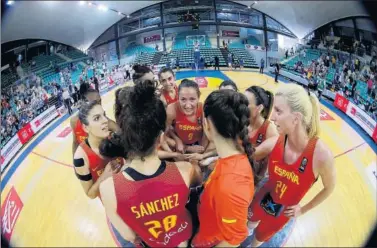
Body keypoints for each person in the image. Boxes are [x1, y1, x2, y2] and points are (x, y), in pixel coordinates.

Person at [99, 79, 202, 247]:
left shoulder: (108, 188)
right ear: (161, 136)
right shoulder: (186, 169)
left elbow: (129, 236)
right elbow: (197, 191)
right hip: (184, 237)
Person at [248, 83, 336, 247]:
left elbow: (329, 188)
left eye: (278, 111)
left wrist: (303, 210)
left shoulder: (322, 155)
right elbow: (250, 155)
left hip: (283, 212)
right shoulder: (277, 140)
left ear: (296, 118)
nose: (272, 117)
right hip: (264, 195)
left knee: (257, 240)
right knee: (249, 224)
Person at [191, 90, 261, 247]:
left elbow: (233, 240)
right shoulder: (235, 153)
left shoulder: (230, 187)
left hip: (209, 240)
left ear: (207, 125)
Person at [73, 101, 122, 199]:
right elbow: (91, 194)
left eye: (104, 115)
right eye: (97, 118)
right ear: (86, 128)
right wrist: (105, 176)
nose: (105, 120)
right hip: (113, 207)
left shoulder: (116, 139)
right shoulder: (81, 158)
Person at [164, 79, 216, 162]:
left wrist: (201, 154)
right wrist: (180, 142)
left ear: (198, 97)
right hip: (179, 146)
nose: (188, 105)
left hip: (198, 145)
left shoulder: (203, 109)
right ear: (178, 98)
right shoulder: (171, 109)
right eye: (183, 99)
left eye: (192, 99)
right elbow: (163, 135)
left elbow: (206, 135)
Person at [244, 86, 278, 190]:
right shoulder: (242, 122)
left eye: (246, 103)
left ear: (259, 108)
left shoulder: (269, 130)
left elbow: (269, 166)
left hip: (256, 181)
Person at [70, 88, 119, 156]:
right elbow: (75, 142)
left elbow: (124, 136)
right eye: (95, 102)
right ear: (84, 102)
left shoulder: (108, 122)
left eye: (100, 101)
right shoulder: (74, 121)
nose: (100, 105)